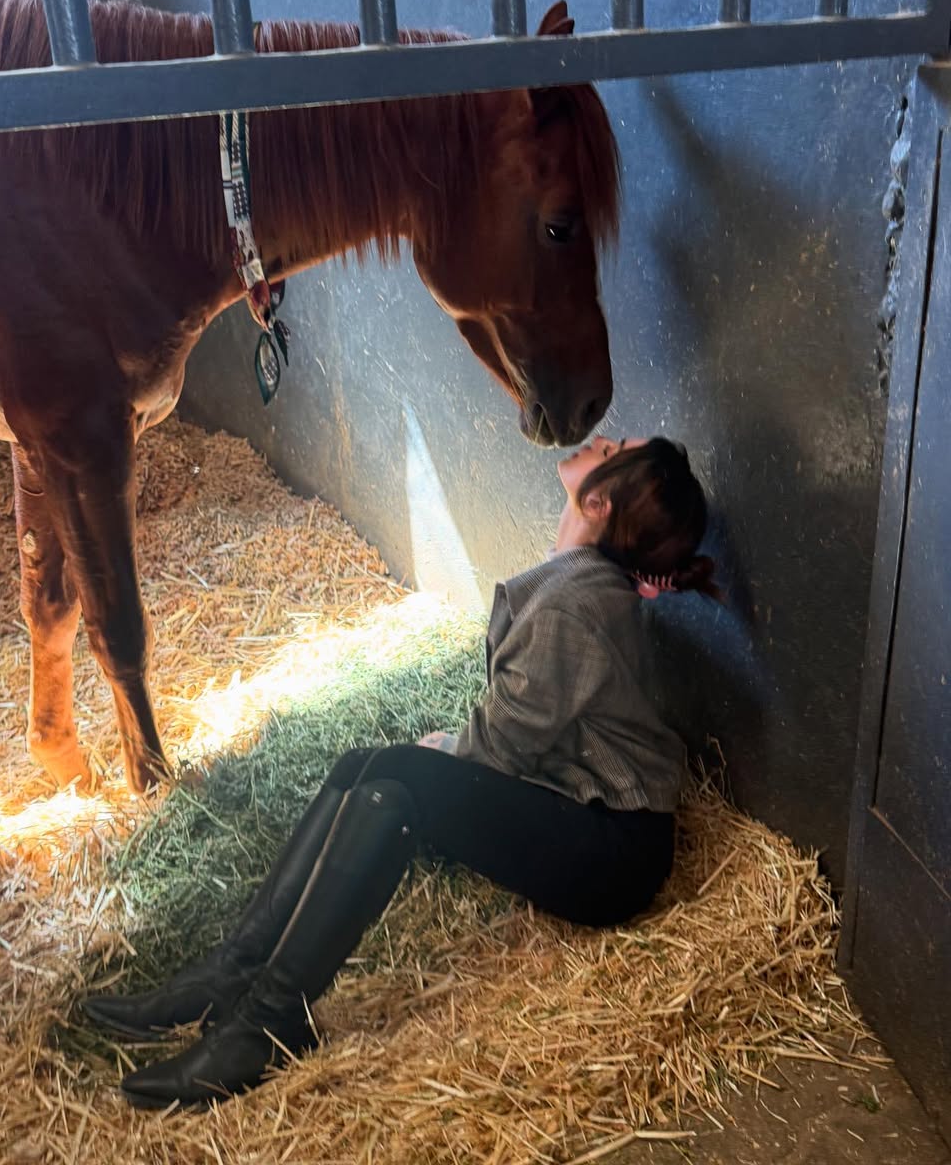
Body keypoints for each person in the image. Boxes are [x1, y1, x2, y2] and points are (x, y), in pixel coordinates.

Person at [82, 435, 718, 1109]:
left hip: (614, 853)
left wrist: (443, 751)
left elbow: (501, 747)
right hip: (587, 817)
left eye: (613, 448)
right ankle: (231, 974)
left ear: (599, 502)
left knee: (397, 788)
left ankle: (268, 1022)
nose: (600, 438)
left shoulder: (574, 601)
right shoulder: (581, 581)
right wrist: (441, 751)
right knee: (366, 765)